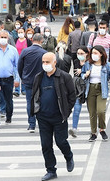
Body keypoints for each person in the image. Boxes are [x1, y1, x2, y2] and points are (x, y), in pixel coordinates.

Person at [31, 52, 76, 181]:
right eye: (43, 62)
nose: (45, 65)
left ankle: (68, 156)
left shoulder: (64, 77)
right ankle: (51, 170)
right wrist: (35, 111)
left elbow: (72, 96)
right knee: (46, 145)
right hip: (43, 117)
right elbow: (34, 94)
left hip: (59, 116)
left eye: (48, 62)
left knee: (61, 141)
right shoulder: (39, 77)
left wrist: (66, 111)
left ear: (54, 62)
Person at [81, 45, 110, 142]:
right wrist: (85, 75)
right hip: (90, 88)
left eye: (96, 53)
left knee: (100, 111)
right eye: (92, 53)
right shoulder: (88, 64)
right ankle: (93, 133)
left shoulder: (107, 65)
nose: (93, 55)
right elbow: (82, 75)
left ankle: (102, 129)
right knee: (92, 113)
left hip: (101, 89)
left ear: (101, 54)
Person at [0, 31, 20, 128]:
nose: (3, 39)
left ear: (8, 38)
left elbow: (16, 66)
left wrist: (17, 79)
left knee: (8, 100)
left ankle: (9, 115)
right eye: (1, 37)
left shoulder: (13, 50)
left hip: (9, 79)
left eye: (5, 37)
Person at [18, 34, 47, 133]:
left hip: (28, 80)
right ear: (41, 40)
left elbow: (19, 66)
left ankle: (31, 124)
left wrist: (22, 77)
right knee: (41, 101)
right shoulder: (44, 52)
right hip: (41, 81)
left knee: (30, 102)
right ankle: (42, 122)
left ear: (32, 39)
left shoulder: (25, 51)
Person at [69, 46, 89, 138]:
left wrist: (83, 71)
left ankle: (96, 128)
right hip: (78, 88)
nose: (79, 55)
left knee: (92, 110)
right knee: (76, 109)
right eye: (78, 53)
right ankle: (74, 128)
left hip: (89, 86)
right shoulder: (76, 62)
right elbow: (74, 74)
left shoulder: (90, 63)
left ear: (86, 54)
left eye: (82, 53)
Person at [13, 27, 32, 97]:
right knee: (16, 74)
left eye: (21, 32)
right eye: (19, 32)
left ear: (24, 33)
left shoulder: (28, 41)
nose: (20, 34)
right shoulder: (15, 40)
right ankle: (17, 90)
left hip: (25, 59)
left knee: (24, 74)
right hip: (16, 59)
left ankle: (23, 89)